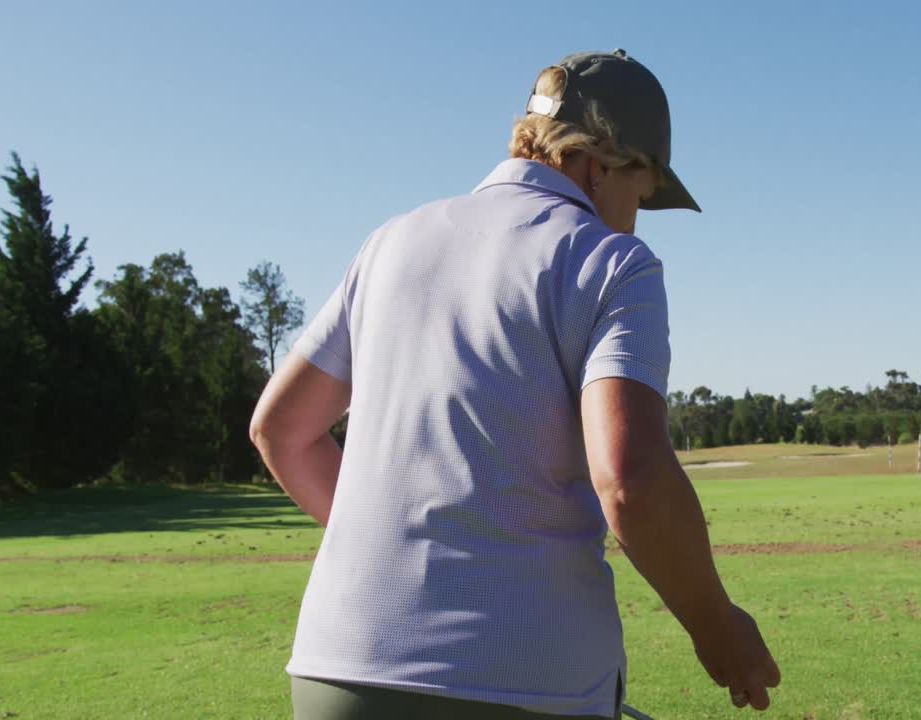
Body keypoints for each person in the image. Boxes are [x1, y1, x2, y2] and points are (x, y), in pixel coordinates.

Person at [250, 49, 781, 719]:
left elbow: (280, 431)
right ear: (600, 160)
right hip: (523, 681)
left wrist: (395, 553)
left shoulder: (390, 242)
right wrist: (715, 624)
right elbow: (629, 479)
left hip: (338, 668)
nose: (633, 218)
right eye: (640, 194)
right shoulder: (611, 261)